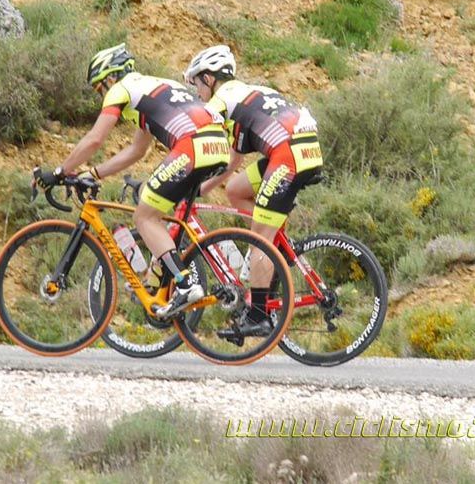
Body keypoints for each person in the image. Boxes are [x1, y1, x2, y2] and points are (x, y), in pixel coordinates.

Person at [38, 44, 230, 318]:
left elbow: (94, 139)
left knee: (144, 217)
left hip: (191, 145)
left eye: (100, 87)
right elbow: (136, 151)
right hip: (216, 144)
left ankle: (186, 284)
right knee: (160, 215)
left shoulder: (121, 90)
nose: (101, 94)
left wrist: (59, 172)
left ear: (111, 77)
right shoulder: (151, 89)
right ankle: (175, 281)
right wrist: (93, 173)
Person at [184, 45, 323, 339]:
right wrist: (200, 190)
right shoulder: (246, 94)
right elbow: (233, 161)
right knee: (236, 190)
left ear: (209, 79)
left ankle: (259, 315)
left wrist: (180, 179)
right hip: (300, 149)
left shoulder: (221, 100)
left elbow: (197, 138)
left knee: (259, 240)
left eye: (196, 82)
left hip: (288, 155)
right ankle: (273, 255)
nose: (196, 91)